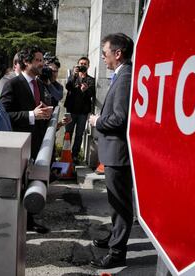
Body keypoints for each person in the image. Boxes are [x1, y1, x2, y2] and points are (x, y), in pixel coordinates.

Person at [88, 33, 135, 269]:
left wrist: (97, 121)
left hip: (119, 154)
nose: (103, 58)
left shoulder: (126, 76)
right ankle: (114, 239)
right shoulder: (121, 74)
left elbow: (119, 119)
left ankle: (117, 252)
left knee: (120, 204)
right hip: (114, 152)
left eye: (105, 53)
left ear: (118, 54)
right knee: (115, 202)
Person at [0, 46, 53, 234]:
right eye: (38, 60)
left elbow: (38, 109)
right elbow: (3, 114)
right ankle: (14, 224)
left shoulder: (39, 84)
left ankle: (29, 221)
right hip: (20, 143)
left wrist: (46, 113)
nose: (42, 64)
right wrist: (31, 115)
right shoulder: (12, 84)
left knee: (32, 182)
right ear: (26, 62)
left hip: (37, 141)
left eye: (42, 60)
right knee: (20, 184)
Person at [64, 56, 95, 164]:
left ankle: (75, 156)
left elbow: (92, 94)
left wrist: (86, 90)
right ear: (78, 65)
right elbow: (68, 87)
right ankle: (65, 154)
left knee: (79, 134)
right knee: (68, 133)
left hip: (83, 112)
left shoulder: (91, 80)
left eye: (85, 64)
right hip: (71, 110)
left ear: (88, 66)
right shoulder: (73, 77)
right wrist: (74, 74)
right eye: (81, 64)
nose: (82, 65)